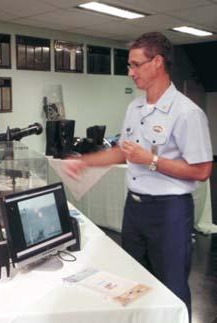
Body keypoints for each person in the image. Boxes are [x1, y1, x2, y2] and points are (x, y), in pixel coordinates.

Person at [63, 32, 212, 319]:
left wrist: (152, 160)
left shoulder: (186, 113)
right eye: (129, 66)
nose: (130, 72)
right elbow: (123, 152)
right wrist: (85, 162)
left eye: (135, 65)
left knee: (171, 288)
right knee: (134, 285)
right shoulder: (135, 108)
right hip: (134, 210)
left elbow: (203, 170)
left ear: (157, 62)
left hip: (169, 212)